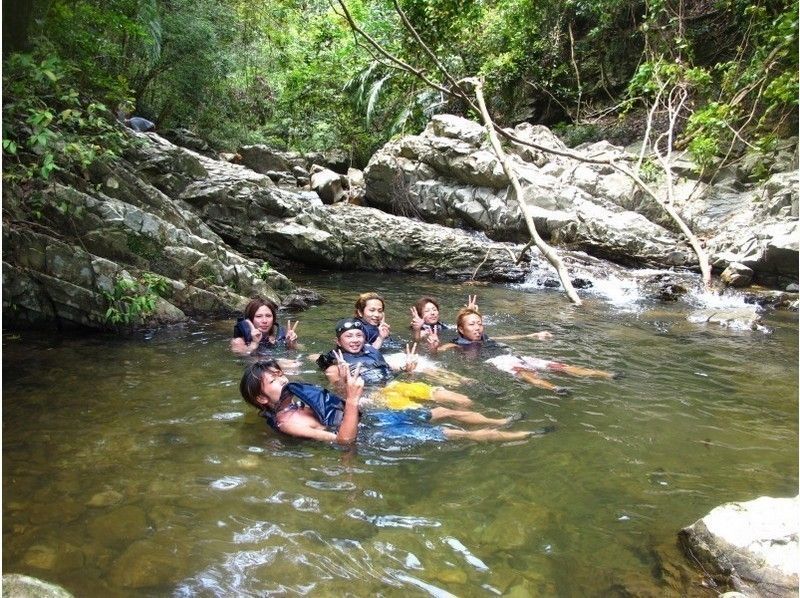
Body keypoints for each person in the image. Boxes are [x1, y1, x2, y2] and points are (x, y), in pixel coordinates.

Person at [240, 359, 535, 445]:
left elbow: (334, 408)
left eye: (280, 374)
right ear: (262, 397)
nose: (283, 380)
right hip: (370, 436)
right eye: (273, 380)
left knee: (441, 411)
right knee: (451, 433)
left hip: (370, 420)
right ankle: (513, 436)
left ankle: (498, 420)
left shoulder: (295, 397)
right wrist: (353, 400)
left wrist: (347, 392)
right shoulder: (289, 420)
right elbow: (343, 440)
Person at [429, 307, 617, 394]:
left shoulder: (485, 337)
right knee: (524, 372)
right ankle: (554, 388)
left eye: (479, 323)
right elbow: (442, 350)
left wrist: (532, 335)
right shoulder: (457, 343)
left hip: (512, 355)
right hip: (497, 361)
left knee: (557, 365)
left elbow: (506, 339)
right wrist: (434, 347)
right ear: (461, 329)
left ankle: (605, 374)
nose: (478, 327)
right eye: (472, 324)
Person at [316, 318, 476, 410]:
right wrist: (342, 380)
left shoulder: (370, 351)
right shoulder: (334, 366)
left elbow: (386, 371)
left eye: (359, 335)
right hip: (375, 395)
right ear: (338, 341)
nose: (355, 339)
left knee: (463, 400)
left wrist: (407, 369)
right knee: (439, 412)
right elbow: (341, 395)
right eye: (349, 336)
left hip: (396, 384)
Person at [230, 297, 299, 358]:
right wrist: (254, 343)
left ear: (273, 318)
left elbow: (301, 349)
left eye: (268, 316)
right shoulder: (239, 341)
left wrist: (292, 343)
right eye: (259, 316)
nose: (264, 321)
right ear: (250, 320)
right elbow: (243, 356)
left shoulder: (280, 336)